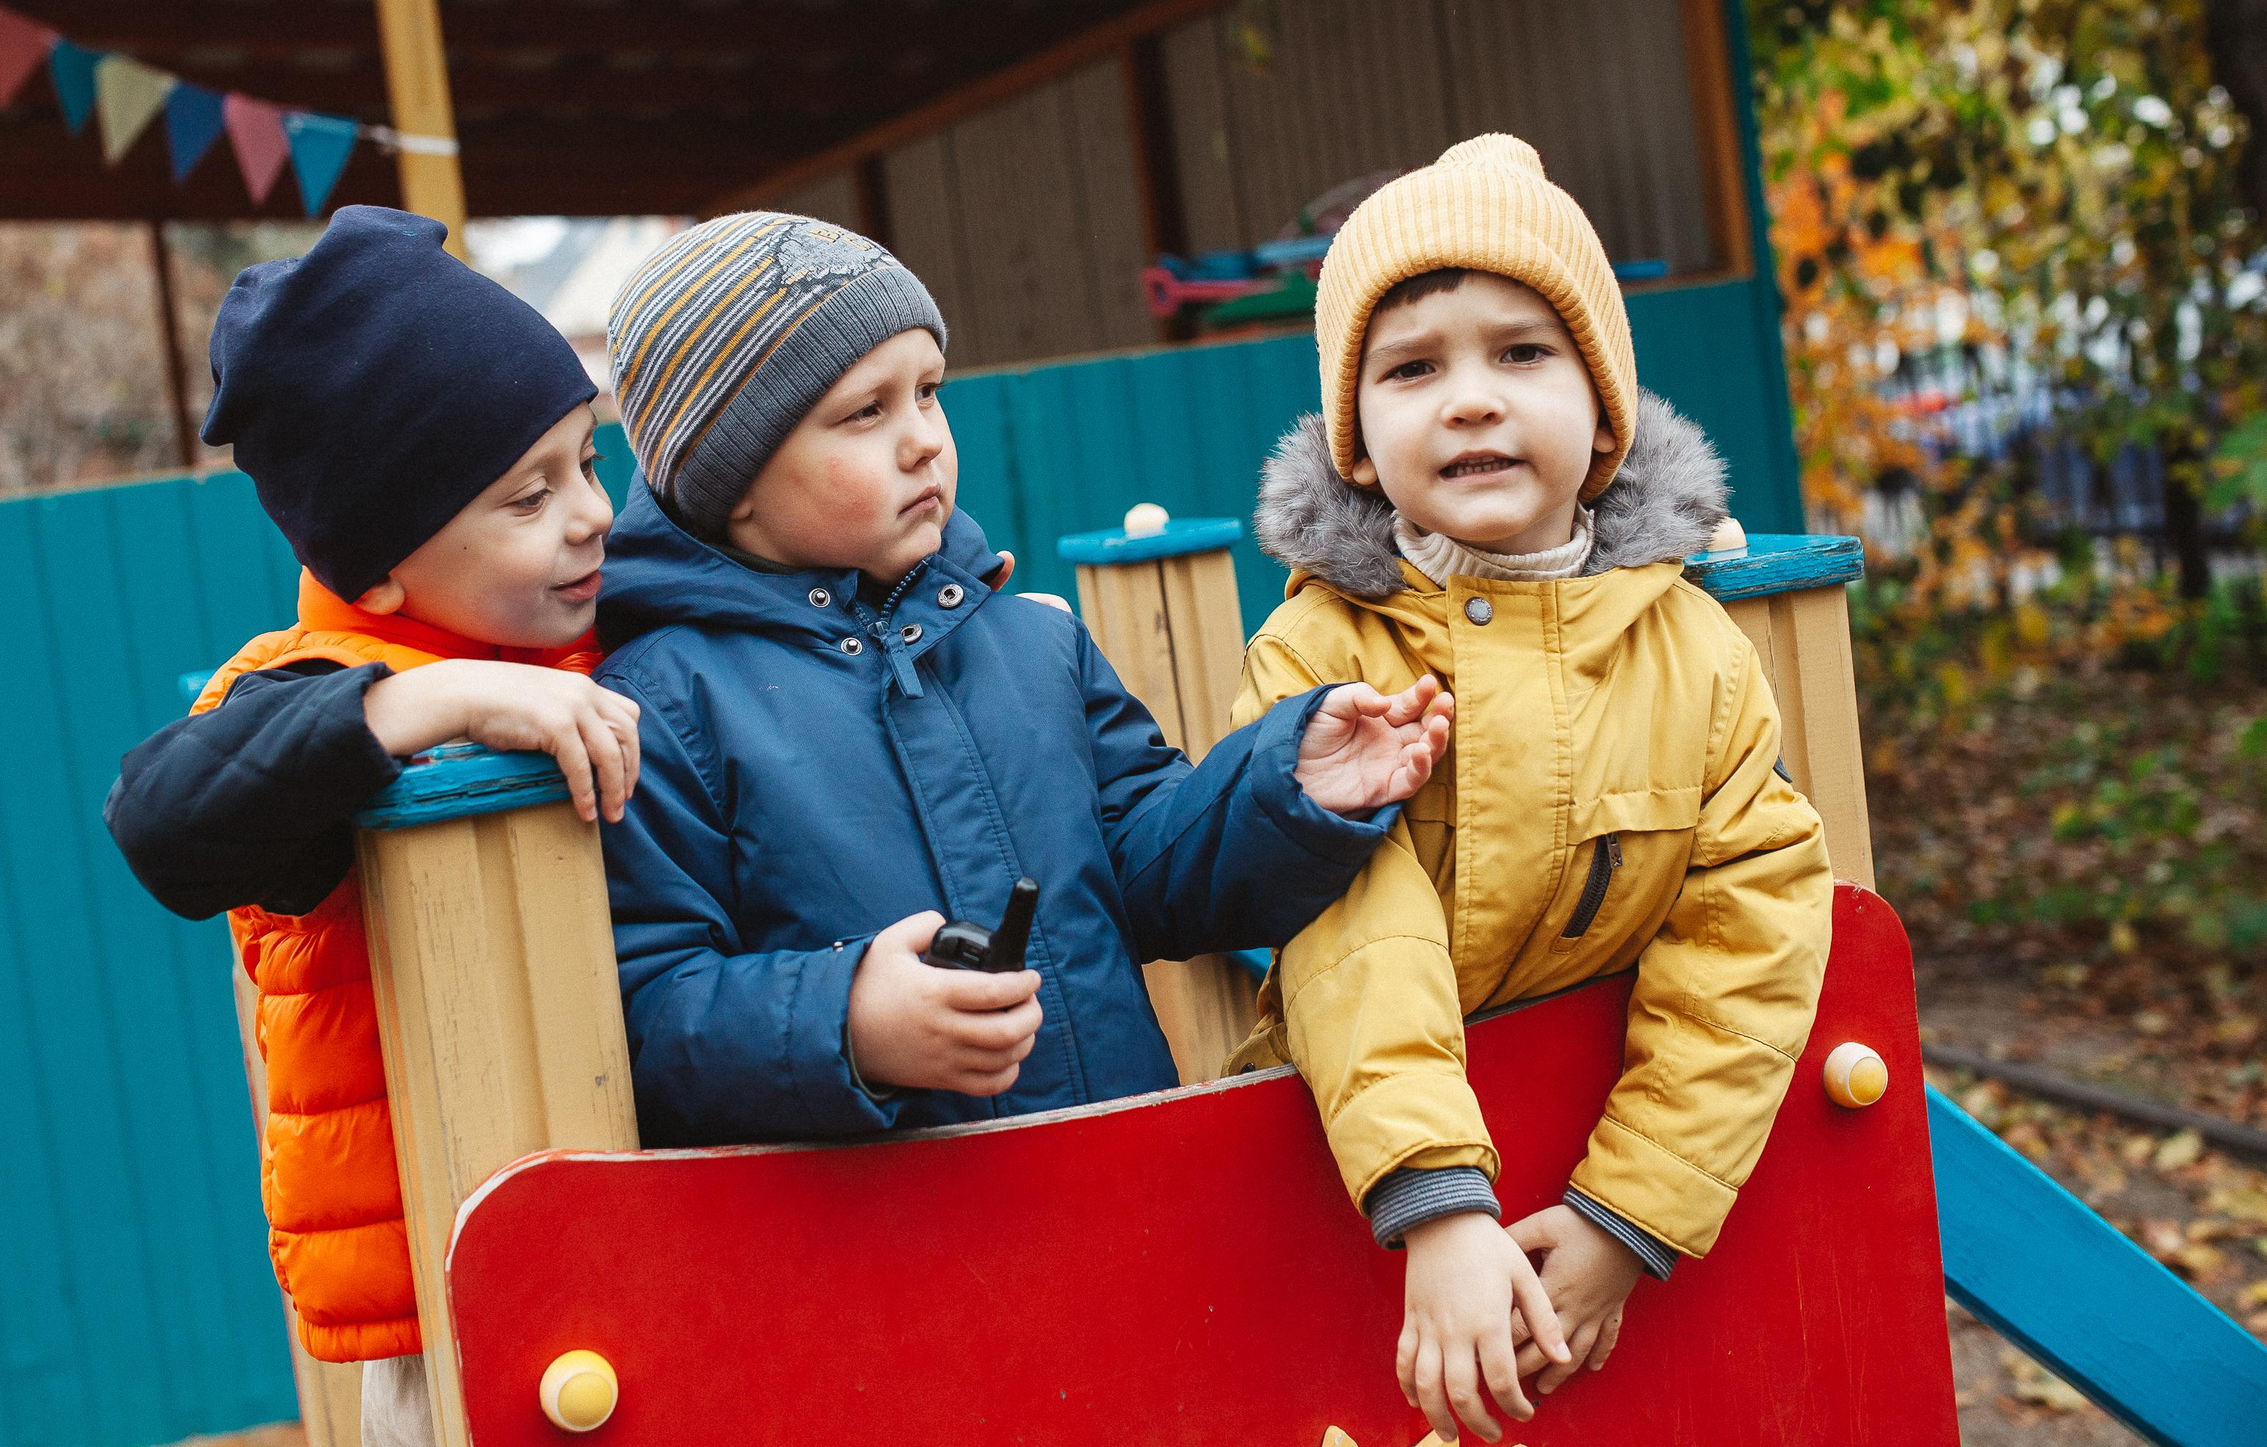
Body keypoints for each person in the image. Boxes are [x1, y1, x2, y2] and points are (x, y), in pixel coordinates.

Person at [589, 211, 1453, 1141]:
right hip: (888, 1260)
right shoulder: (659, 706)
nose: (922, 438)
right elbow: (647, 1012)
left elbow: (1150, 868)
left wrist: (1286, 792)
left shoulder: (1031, 643)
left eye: (927, 391)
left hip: (1118, 1179)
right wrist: (845, 1021)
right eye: (864, 412)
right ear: (734, 480)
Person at [1229, 135, 1835, 1442]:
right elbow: (1348, 930)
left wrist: (1636, 1210)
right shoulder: (1323, 651)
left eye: (1520, 351)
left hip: (1596, 1185)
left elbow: (1752, 936)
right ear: (1356, 438)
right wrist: (1437, 1200)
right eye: (1411, 367)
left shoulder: (1697, 659)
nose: (1468, 399)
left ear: (1604, 411)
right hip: (1355, 1185)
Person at [104, 206, 643, 1447]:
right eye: (529, 494)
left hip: (635, 1226)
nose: (590, 514)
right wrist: (424, 701)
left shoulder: (602, 628)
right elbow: (161, 818)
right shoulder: (309, 691)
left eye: (587, 462)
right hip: (448, 1306)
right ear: (381, 568)